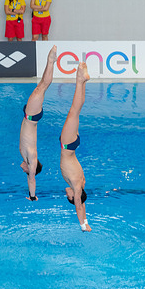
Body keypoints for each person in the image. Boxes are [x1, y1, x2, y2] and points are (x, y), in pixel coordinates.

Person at [19, 45, 57, 201]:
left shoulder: (26, 156)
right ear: (31, 169)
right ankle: (51, 61)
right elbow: (32, 179)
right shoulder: (32, 158)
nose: (23, 170)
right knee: (43, 86)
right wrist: (32, 196)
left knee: (41, 86)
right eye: (26, 171)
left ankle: (51, 61)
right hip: (31, 115)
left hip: (30, 116)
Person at [60, 62, 92, 232]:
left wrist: (87, 221)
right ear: (75, 197)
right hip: (67, 145)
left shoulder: (81, 183)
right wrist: (83, 225)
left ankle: (82, 81)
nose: (67, 194)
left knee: (76, 111)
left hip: (73, 145)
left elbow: (83, 204)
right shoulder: (77, 187)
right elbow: (79, 206)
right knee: (74, 109)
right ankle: (80, 80)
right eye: (69, 197)